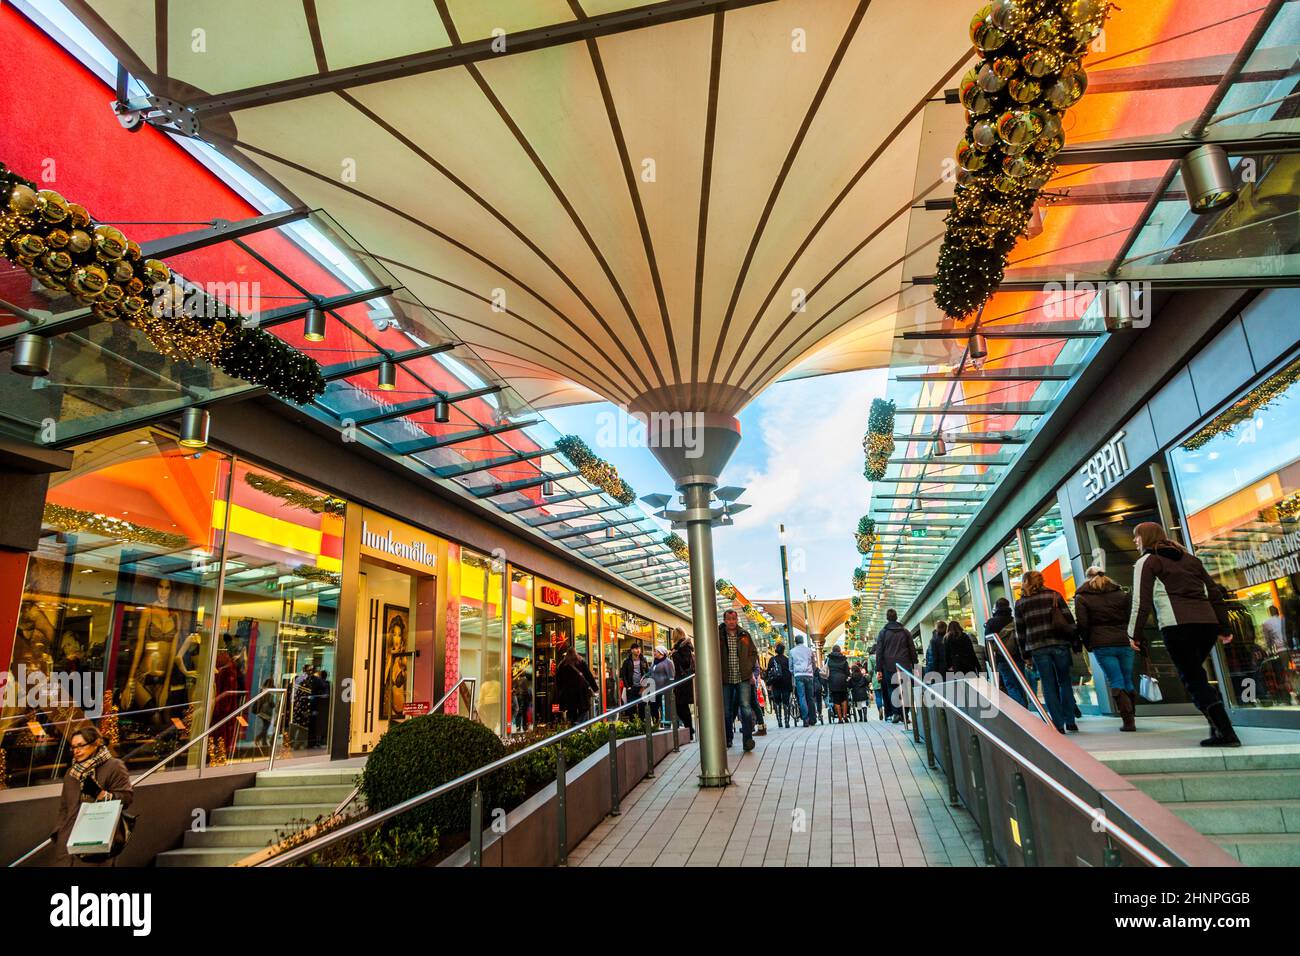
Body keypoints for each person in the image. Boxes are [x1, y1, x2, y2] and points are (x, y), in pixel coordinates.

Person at [1129, 522, 1240, 747]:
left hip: (1177, 625)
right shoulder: (1191, 559)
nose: (1135, 541)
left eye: (1137, 536)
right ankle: (1219, 730)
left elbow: (1141, 602)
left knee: (1193, 680)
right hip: (1206, 624)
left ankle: (1227, 733)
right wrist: (1223, 626)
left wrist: (1134, 634)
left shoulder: (1147, 561)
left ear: (1145, 537)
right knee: (1196, 675)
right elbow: (1215, 593)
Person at [54, 726, 134, 866]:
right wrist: (60, 833)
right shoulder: (71, 773)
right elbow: (64, 808)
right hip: (68, 844)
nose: (76, 751)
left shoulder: (114, 766)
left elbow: (126, 798)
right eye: (73, 747)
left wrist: (100, 794)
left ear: (96, 743)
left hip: (97, 841)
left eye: (81, 746)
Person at [1014, 570, 1077, 733]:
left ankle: (1057, 724)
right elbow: (1069, 620)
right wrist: (1074, 642)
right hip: (1060, 644)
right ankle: (1070, 720)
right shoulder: (1054, 595)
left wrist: (1025, 656)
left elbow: (1020, 632)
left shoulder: (1021, 603)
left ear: (1026, 582)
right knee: (1064, 682)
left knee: (1048, 684)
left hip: (1037, 648)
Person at [1074, 566, 1135, 731]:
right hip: (1124, 640)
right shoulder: (1121, 594)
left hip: (1101, 643)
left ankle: (1128, 720)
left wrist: (1088, 643)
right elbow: (1131, 617)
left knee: (1116, 680)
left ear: (1087, 578)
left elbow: (1083, 624)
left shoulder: (1082, 597)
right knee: (1127, 679)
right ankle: (1132, 715)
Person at [718, 610, 759, 751]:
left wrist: (749, 667)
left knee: (746, 708)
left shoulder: (744, 635)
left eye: (734, 619)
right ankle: (727, 738)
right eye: (728, 619)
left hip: (743, 677)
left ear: (737, 620)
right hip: (725, 679)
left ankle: (747, 740)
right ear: (724, 620)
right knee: (726, 711)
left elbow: (754, 652)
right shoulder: (718, 635)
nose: (731, 621)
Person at [875, 609, 918, 724]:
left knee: (892, 689)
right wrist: (915, 664)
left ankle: (896, 713)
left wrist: (879, 669)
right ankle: (905, 714)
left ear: (887, 618)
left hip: (889, 666)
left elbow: (879, 652)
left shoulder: (883, 633)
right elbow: (912, 649)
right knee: (906, 689)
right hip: (905, 665)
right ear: (896, 617)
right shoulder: (905, 632)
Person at [556, 645, 599, 724]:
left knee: (571, 712)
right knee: (584, 709)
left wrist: (560, 691)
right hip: (581, 692)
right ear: (576, 653)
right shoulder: (581, 662)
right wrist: (595, 688)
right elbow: (589, 675)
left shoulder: (562, 665)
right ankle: (579, 724)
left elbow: (558, 680)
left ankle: (573, 726)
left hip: (568, 694)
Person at [670, 630, 695, 739]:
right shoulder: (682, 646)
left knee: (681, 706)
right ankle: (690, 730)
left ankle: (689, 730)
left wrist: (675, 654)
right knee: (681, 707)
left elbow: (685, 663)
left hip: (683, 682)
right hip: (682, 681)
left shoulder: (683, 647)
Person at [765, 641, 794, 727]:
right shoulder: (787, 660)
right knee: (786, 702)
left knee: (777, 702)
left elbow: (768, 672)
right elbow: (790, 671)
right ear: (783, 650)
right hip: (786, 684)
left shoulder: (772, 659)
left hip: (776, 683)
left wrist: (768, 682)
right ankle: (787, 721)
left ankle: (779, 721)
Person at [789, 635, 816, 727]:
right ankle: (813, 719)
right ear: (803, 641)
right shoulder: (809, 650)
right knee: (810, 697)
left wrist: (795, 673)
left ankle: (805, 719)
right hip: (809, 675)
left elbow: (790, 667)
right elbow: (813, 663)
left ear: (795, 641)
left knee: (802, 697)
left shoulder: (792, 651)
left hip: (798, 675)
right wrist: (812, 671)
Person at [620, 643, 649, 722]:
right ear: (632, 650)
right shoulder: (626, 661)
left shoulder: (643, 660)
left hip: (641, 687)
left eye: (639, 648)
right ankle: (633, 724)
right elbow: (623, 675)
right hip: (631, 687)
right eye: (636, 648)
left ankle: (642, 724)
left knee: (642, 706)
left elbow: (647, 673)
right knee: (631, 708)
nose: (638, 650)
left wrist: (645, 686)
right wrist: (628, 687)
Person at [649, 645, 676, 725]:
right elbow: (651, 673)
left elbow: (671, 676)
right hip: (653, 689)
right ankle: (656, 724)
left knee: (664, 707)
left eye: (656, 651)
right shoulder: (655, 662)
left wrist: (669, 688)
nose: (654, 653)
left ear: (661, 652)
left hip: (663, 689)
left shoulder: (668, 662)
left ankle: (666, 724)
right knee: (653, 708)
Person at [826, 644, 850, 722]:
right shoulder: (844, 659)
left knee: (836, 699)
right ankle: (845, 716)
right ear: (839, 650)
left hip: (833, 681)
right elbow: (847, 672)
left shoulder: (828, 659)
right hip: (842, 681)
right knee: (844, 698)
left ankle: (840, 718)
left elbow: (826, 670)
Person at [253, 678, 277, 752]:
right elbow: (270, 701)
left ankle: (264, 742)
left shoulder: (263, 688)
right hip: (267, 711)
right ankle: (258, 738)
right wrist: (274, 705)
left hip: (261, 711)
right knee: (266, 726)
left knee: (265, 725)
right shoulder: (270, 690)